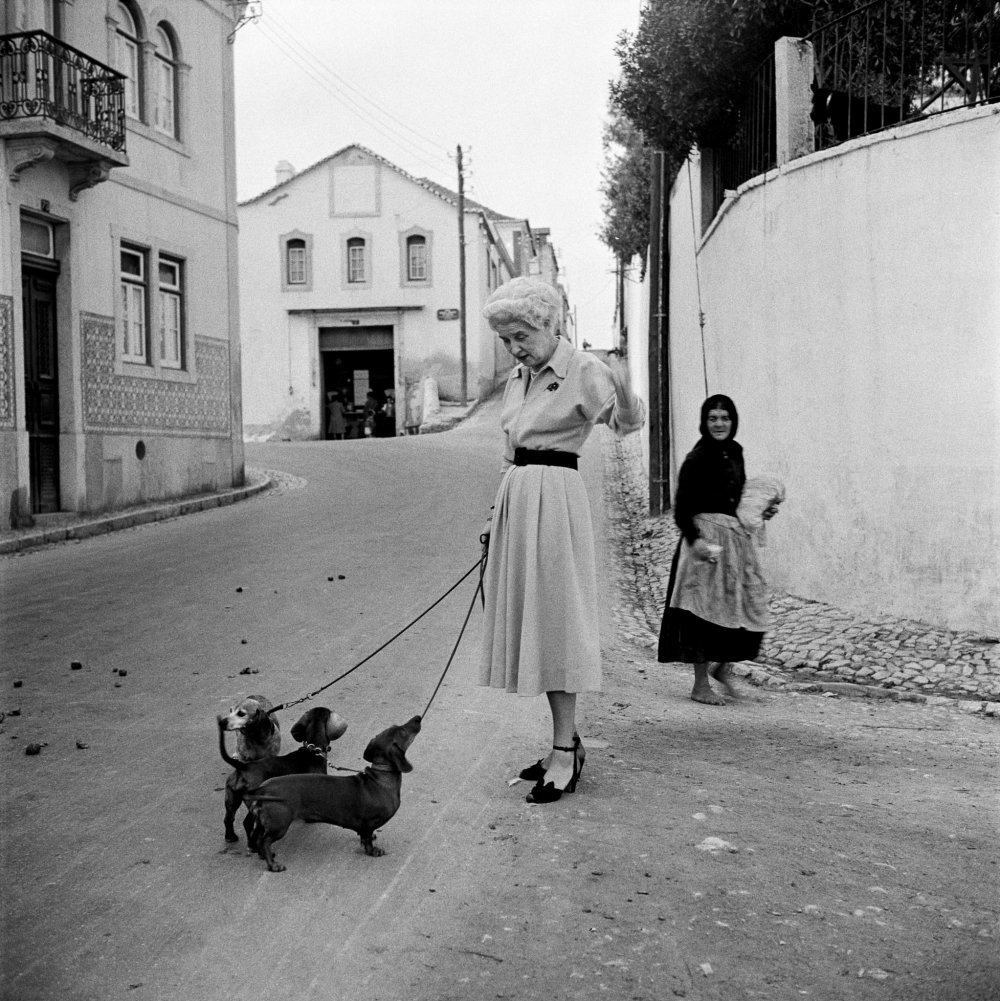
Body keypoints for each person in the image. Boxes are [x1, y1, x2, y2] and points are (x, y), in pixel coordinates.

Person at [479, 277, 645, 804]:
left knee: (556, 624)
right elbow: (510, 449)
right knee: (535, 625)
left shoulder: (583, 370)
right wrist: (493, 515)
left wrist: (625, 388)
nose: (516, 348)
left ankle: (565, 754)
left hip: (556, 502)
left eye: (522, 335)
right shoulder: (518, 379)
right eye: (507, 340)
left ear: (551, 325)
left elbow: (626, 424)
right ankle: (560, 744)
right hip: (518, 500)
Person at [657, 395, 779, 705]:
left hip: (734, 544)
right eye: (713, 418)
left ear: (733, 421)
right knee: (704, 614)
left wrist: (760, 511)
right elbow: (682, 507)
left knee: (749, 607)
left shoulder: (735, 453)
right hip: (704, 543)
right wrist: (695, 540)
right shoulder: (697, 458)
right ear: (705, 422)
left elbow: (736, 497)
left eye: (725, 417)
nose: (719, 423)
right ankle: (700, 685)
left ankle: (722, 667)